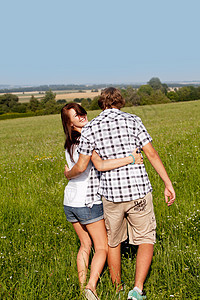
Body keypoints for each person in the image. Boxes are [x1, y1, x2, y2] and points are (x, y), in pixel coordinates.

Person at [64, 88, 176, 300]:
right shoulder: (133, 120)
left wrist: (68, 174)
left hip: (111, 196)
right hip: (138, 191)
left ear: (101, 104)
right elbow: (151, 153)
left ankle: (117, 288)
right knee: (145, 239)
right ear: (120, 102)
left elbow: (84, 163)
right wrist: (167, 182)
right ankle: (137, 290)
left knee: (113, 242)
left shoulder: (91, 128)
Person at [61, 102, 143, 300]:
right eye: (76, 116)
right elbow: (95, 165)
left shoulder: (69, 143)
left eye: (82, 113)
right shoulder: (87, 137)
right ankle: (91, 286)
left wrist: (68, 174)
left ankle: (82, 289)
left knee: (84, 245)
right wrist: (131, 159)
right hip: (87, 201)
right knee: (102, 247)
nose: (82, 116)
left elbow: (76, 169)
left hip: (70, 201)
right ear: (70, 123)